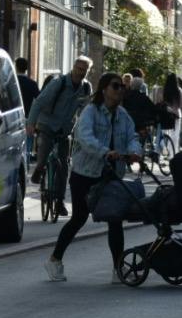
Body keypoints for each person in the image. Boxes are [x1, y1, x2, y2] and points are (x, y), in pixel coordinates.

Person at [45, 71, 141, 284]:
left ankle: (118, 268)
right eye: (116, 86)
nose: (120, 90)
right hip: (86, 174)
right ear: (104, 89)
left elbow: (132, 135)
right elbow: (85, 137)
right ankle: (54, 259)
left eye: (122, 87)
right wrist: (105, 151)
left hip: (112, 174)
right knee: (79, 218)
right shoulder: (91, 112)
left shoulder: (122, 115)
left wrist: (135, 151)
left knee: (115, 220)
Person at [27, 54, 92, 216]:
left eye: (84, 70)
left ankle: (59, 201)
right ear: (73, 67)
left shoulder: (86, 87)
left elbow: (86, 111)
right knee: (44, 153)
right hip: (47, 124)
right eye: (78, 68)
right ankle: (40, 168)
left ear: (87, 72)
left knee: (63, 165)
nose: (80, 72)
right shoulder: (59, 83)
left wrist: (85, 130)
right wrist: (31, 123)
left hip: (65, 129)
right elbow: (39, 102)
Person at [162, 73, 182, 152]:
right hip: (176, 115)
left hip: (166, 114)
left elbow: (162, 102)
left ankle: (165, 149)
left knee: (166, 134)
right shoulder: (179, 90)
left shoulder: (164, 90)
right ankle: (173, 153)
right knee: (175, 136)